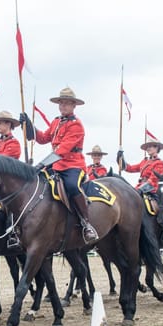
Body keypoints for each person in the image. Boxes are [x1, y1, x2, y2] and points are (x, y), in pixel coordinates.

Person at [19, 87, 97, 243]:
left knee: (72, 186)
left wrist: (41, 164)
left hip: (73, 166)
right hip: (55, 165)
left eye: (67, 104)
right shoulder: (56, 122)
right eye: (61, 103)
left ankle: (86, 224)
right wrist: (28, 125)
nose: (63, 106)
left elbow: (63, 150)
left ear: (74, 106)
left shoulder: (76, 125)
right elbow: (41, 138)